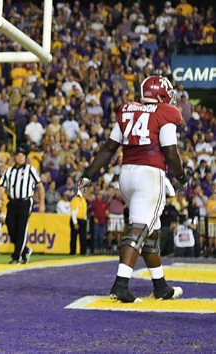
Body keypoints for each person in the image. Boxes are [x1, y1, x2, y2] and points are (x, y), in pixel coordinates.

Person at [78, 75, 185, 303]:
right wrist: (181, 176)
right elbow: (170, 151)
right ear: (161, 94)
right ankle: (121, 284)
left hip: (126, 175)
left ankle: (161, 286)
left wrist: (89, 173)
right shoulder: (164, 113)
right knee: (139, 228)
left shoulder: (128, 110)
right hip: (149, 175)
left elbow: (109, 147)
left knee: (151, 233)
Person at [0, 145, 45, 264]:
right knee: (10, 226)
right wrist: (0, 199)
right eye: (18, 156)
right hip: (12, 202)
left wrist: (41, 202)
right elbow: (2, 186)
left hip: (25, 201)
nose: (21, 158)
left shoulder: (30, 169)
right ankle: (25, 250)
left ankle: (16, 256)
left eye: (23, 156)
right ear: (14, 157)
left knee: (21, 228)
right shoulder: (9, 171)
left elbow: (40, 186)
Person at [69, 190, 88, 255]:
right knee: (74, 237)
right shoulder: (74, 200)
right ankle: (72, 252)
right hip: (76, 219)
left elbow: (84, 210)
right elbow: (73, 212)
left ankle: (83, 252)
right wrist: (75, 223)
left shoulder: (83, 200)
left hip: (82, 220)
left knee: (83, 237)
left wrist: (85, 219)